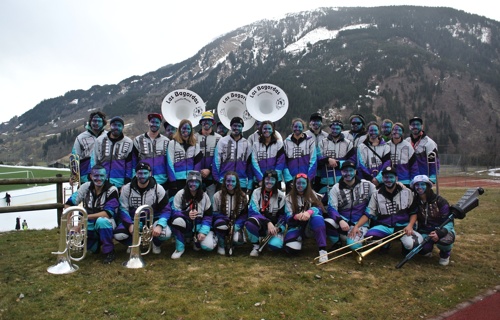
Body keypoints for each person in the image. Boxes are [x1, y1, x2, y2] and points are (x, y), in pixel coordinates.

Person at [350, 166, 416, 253]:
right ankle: (386, 244)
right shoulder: (376, 194)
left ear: (396, 178)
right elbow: (368, 213)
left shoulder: (407, 192)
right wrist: (357, 226)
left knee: (410, 244)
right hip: (385, 226)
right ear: (382, 178)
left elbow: (413, 212)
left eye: (391, 177)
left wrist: (410, 225)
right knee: (370, 237)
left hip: (403, 226)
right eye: (385, 177)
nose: (388, 180)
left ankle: (404, 245)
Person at [65, 165, 120, 263]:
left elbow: (107, 213)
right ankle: (95, 244)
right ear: (91, 176)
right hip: (88, 223)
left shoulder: (112, 190)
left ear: (106, 176)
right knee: (91, 249)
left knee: (102, 221)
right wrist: (70, 225)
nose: (99, 178)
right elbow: (68, 204)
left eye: (102, 175)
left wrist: (83, 219)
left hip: (107, 222)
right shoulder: (85, 186)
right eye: (96, 176)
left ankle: (109, 251)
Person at [113, 162, 171, 255]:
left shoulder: (158, 188)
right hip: (134, 220)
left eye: (145, 173)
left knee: (166, 233)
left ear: (150, 173)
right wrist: (129, 225)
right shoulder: (127, 189)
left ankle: (155, 243)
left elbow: (166, 210)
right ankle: (133, 244)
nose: (142, 176)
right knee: (119, 235)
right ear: (136, 174)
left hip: (153, 220)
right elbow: (123, 209)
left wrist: (159, 226)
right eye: (140, 173)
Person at [401, 175, 455, 266]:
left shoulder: (440, 201)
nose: (419, 187)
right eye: (417, 185)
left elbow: (449, 221)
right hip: (425, 231)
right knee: (423, 251)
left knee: (445, 240)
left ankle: (445, 255)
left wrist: (440, 233)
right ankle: (428, 248)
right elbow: (412, 214)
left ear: (428, 186)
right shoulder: (415, 201)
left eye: (422, 184)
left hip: (441, 229)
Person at [326, 160, 376, 250]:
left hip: (360, 223)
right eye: (345, 171)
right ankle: (337, 242)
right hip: (344, 222)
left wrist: (398, 185)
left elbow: (379, 195)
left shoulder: (367, 184)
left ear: (355, 171)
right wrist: (340, 220)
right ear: (341, 172)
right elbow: (331, 208)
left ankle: (354, 238)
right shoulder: (336, 188)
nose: (348, 173)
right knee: (328, 222)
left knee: (354, 246)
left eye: (351, 170)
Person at [283, 173, 328, 263]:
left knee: (318, 219)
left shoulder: (313, 194)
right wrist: (296, 216)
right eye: (298, 183)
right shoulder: (288, 197)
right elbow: (287, 217)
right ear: (294, 184)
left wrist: (309, 212)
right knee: (290, 249)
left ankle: (323, 250)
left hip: (310, 224)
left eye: (303, 183)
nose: (300, 186)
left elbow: (320, 209)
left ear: (307, 184)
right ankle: (300, 239)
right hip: (296, 225)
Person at [169, 171, 215, 259]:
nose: (193, 184)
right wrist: (186, 214)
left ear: (200, 183)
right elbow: (174, 212)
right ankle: (180, 248)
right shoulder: (180, 194)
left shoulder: (205, 196)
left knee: (208, 246)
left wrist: (203, 231)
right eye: (191, 181)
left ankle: (197, 242)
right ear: (187, 182)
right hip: (185, 223)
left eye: (196, 182)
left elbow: (208, 216)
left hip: (199, 225)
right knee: (177, 221)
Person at [245, 170, 286, 257]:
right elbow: (253, 212)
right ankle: (255, 245)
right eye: (267, 179)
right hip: (261, 223)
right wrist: (267, 222)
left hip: (274, 227)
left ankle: (269, 240)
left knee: (276, 246)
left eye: (272, 179)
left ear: (276, 181)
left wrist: (278, 228)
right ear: (263, 180)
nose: (269, 182)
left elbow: (283, 217)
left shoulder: (281, 195)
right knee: (250, 222)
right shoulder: (256, 192)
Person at [213, 116, 254, 193]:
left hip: (241, 182)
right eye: (234, 126)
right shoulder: (222, 141)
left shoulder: (247, 144)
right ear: (231, 126)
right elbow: (216, 162)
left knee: (240, 205)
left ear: (242, 128)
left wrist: (250, 183)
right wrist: (217, 179)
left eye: (239, 126)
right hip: (224, 181)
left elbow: (249, 165)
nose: (236, 128)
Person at [90, 116, 133, 189]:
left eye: (119, 125)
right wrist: (93, 177)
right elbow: (94, 160)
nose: (116, 127)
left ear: (123, 127)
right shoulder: (100, 140)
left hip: (119, 184)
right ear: (110, 126)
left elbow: (130, 165)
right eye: (114, 125)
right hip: (101, 183)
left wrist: (127, 182)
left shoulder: (129, 142)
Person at [212, 171, 248, 255]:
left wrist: (237, 225)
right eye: (228, 181)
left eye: (233, 181)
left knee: (239, 240)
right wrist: (225, 220)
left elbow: (244, 214)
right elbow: (214, 213)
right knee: (221, 225)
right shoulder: (217, 195)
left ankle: (231, 243)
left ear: (237, 182)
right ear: (224, 182)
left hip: (236, 223)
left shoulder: (243, 196)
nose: (230, 184)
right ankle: (221, 245)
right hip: (222, 222)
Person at [132, 113, 170, 190]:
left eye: (157, 122)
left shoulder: (166, 141)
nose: (154, 124)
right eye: (152, 122)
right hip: (143, 181)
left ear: (160, 124)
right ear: (148, 123)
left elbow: (169, 163)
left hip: (162, 181)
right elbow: (133, 162)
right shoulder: (137, 140)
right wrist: (133, 180)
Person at [166, 119, 202, 201]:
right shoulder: (173, 143)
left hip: (190, 179)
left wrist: (195, 179)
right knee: (175, 202)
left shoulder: (195, 145)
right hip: (177, 179)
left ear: (191, 130)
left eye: (188, 129)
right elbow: (169, 162)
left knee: (190, 202)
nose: (186, 130)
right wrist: (172, 181)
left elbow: (197, 164)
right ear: (179, 129)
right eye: (184, 128)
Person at [317, 119, 356, 194]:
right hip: (325, 180)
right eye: (333, 128)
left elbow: (352, 161)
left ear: (342, 129)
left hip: (343, 179)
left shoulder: (348, 143)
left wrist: (338, 164)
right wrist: (327, 159)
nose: (334, 131)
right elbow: (317, 157)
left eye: (337, 129)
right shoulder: (322, 143)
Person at [71, 111, 107, 184]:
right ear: (90, 122)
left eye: (99, 121)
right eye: (94, 121)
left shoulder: (108, 136)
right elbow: (74, 157)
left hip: (104, 174)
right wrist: (74, 175)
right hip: (85, 175)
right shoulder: (80, 137)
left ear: (103, 122)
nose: (96, 123)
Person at [283, 118, 317, 193]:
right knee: (291, 202)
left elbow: (313, 160)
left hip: (306, 178)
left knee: (307, 202)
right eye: (295, 127)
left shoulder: (310, 141)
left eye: (300, 127)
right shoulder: (286, 142)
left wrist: (309, 178)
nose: (297, 129)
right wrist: (288, 179)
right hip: (292, 178)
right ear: (292, 127)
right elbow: (284, 162)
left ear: (303, 128)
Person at [250, 120, 285, 192]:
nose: (267, 130)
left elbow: (280, 163)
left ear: (273, 130)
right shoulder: (255, 145)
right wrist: (260, 179)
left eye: (269, 128)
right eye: (265, 128)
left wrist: (274, 178)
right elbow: (254, 163)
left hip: (275, 181)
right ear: (261, 130)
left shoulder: (279, 144)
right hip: (259, 181)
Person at [195, 111, 222, 201]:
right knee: (197, 201)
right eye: (204, 121)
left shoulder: (219, 138)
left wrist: (209, 170)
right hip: (198, 175)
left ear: (213, 123)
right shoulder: (194, 137)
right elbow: (191, 157)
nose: (206, 123)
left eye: (209, 121)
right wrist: (199, 170)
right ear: (201, 123)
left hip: (212, 176)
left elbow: (219, 157)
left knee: (212, 201)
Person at [405, 117, 440, 184]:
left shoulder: (429, 143)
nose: (415, 126)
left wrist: (432, 179)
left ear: (422, 126)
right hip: (409, 179)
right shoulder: (406, 142)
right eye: (413, 125)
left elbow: (434, 163)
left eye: (417, 124)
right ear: (409, 127)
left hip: (423, 180)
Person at [357, 121, 390, 187]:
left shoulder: (386, 146)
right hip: (366, 181)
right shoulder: (361, 147)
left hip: (382, 181)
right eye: (371, 130)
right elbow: (361, 165)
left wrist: (378, 179)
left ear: (379, 131)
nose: (373, 132)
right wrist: (370, 179)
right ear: (368, 132)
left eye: (375, 130)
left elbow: (387, 164)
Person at [305, 112, 329, 192]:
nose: (315, 123)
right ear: (310, 123)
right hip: (309, 166)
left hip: (322, 168)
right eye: (313, 121)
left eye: (318, 121)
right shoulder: (305, 135)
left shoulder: (326, 136)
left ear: (321, 123)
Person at [388, 122, 418, 187]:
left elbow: (414, 166)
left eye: (399, 130)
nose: (397, 132)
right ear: (391, 131)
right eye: (394, 130)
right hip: (389, 181)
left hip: (405, 180)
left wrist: (414, 181)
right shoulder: (387, 145)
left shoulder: (408, 146)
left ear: (402, 133)